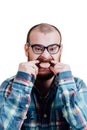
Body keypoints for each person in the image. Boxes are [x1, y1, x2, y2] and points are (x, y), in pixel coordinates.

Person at [0, 23, 87, 130]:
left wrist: (67, 86)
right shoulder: (9, 86)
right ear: (27, 50)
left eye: (52, 48)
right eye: (38, 48)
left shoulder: (77, 86)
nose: (45, 56)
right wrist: (21, 84)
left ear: (61, 50)